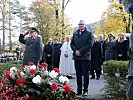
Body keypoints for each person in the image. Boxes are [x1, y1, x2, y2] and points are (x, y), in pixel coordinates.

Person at [70, 20, 94, 96]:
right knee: (78, 75)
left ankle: (85, 90)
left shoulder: (89, 34)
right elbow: (72, 44)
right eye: (79, 24)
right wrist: (76, 51)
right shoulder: (75, 33)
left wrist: (80, 51)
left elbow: (90, 44)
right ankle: (79, 90)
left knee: (85, 74)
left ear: (85, 25)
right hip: (77, 57)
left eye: (82, 24)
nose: (80, 25)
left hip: (85, 57)